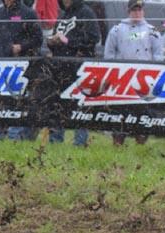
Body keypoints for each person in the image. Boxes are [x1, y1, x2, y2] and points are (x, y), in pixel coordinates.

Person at [0, 0, 42, 141]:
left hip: (20, 67)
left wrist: (21, 47)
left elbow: (38, 39)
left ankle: (15, 136)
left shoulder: (28, 13)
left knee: (18, 102)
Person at [104, 0, 162, 146]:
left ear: (143, 11)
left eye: (139, 9)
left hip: (144, 79)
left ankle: (140, 142)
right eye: (134, 10)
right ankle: (118, 141)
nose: (137, 12)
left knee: (142, 111)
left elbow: (158, 56)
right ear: (128, 11)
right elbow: (109, 55)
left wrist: (154, 75)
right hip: (122, 78)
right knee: (119, 111)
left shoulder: (152, 31)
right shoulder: (116, 30)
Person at [47, 0, 100, 147]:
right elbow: (56, 37)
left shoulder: (86, 12)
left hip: (79, 67)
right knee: (57, 104)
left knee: (80, 106)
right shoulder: (62, 15)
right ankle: (55, 140)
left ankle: (80, 143)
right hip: (60, 67)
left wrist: (67, 41)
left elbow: (94, 38)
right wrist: (52, 42)